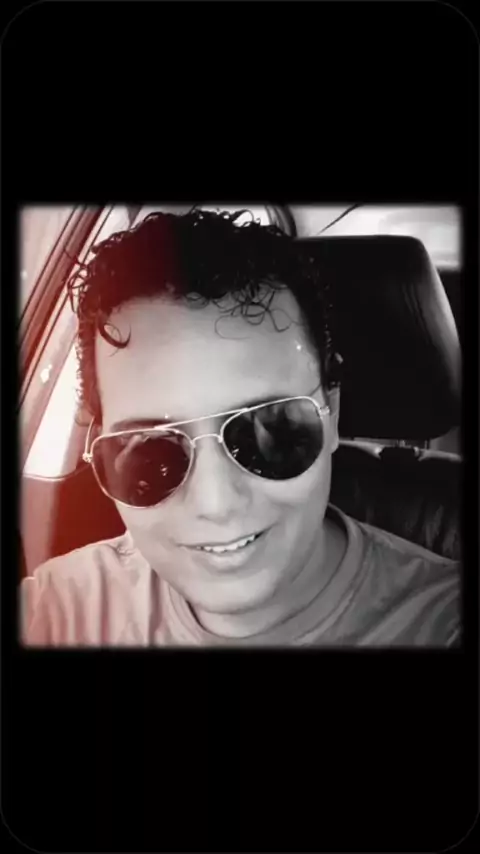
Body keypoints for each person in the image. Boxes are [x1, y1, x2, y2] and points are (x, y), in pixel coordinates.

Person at [21, 209, 460, 647]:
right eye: (151, 449)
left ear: (331, 412)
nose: (217, 504)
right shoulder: (58, 610)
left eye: (269, 430)